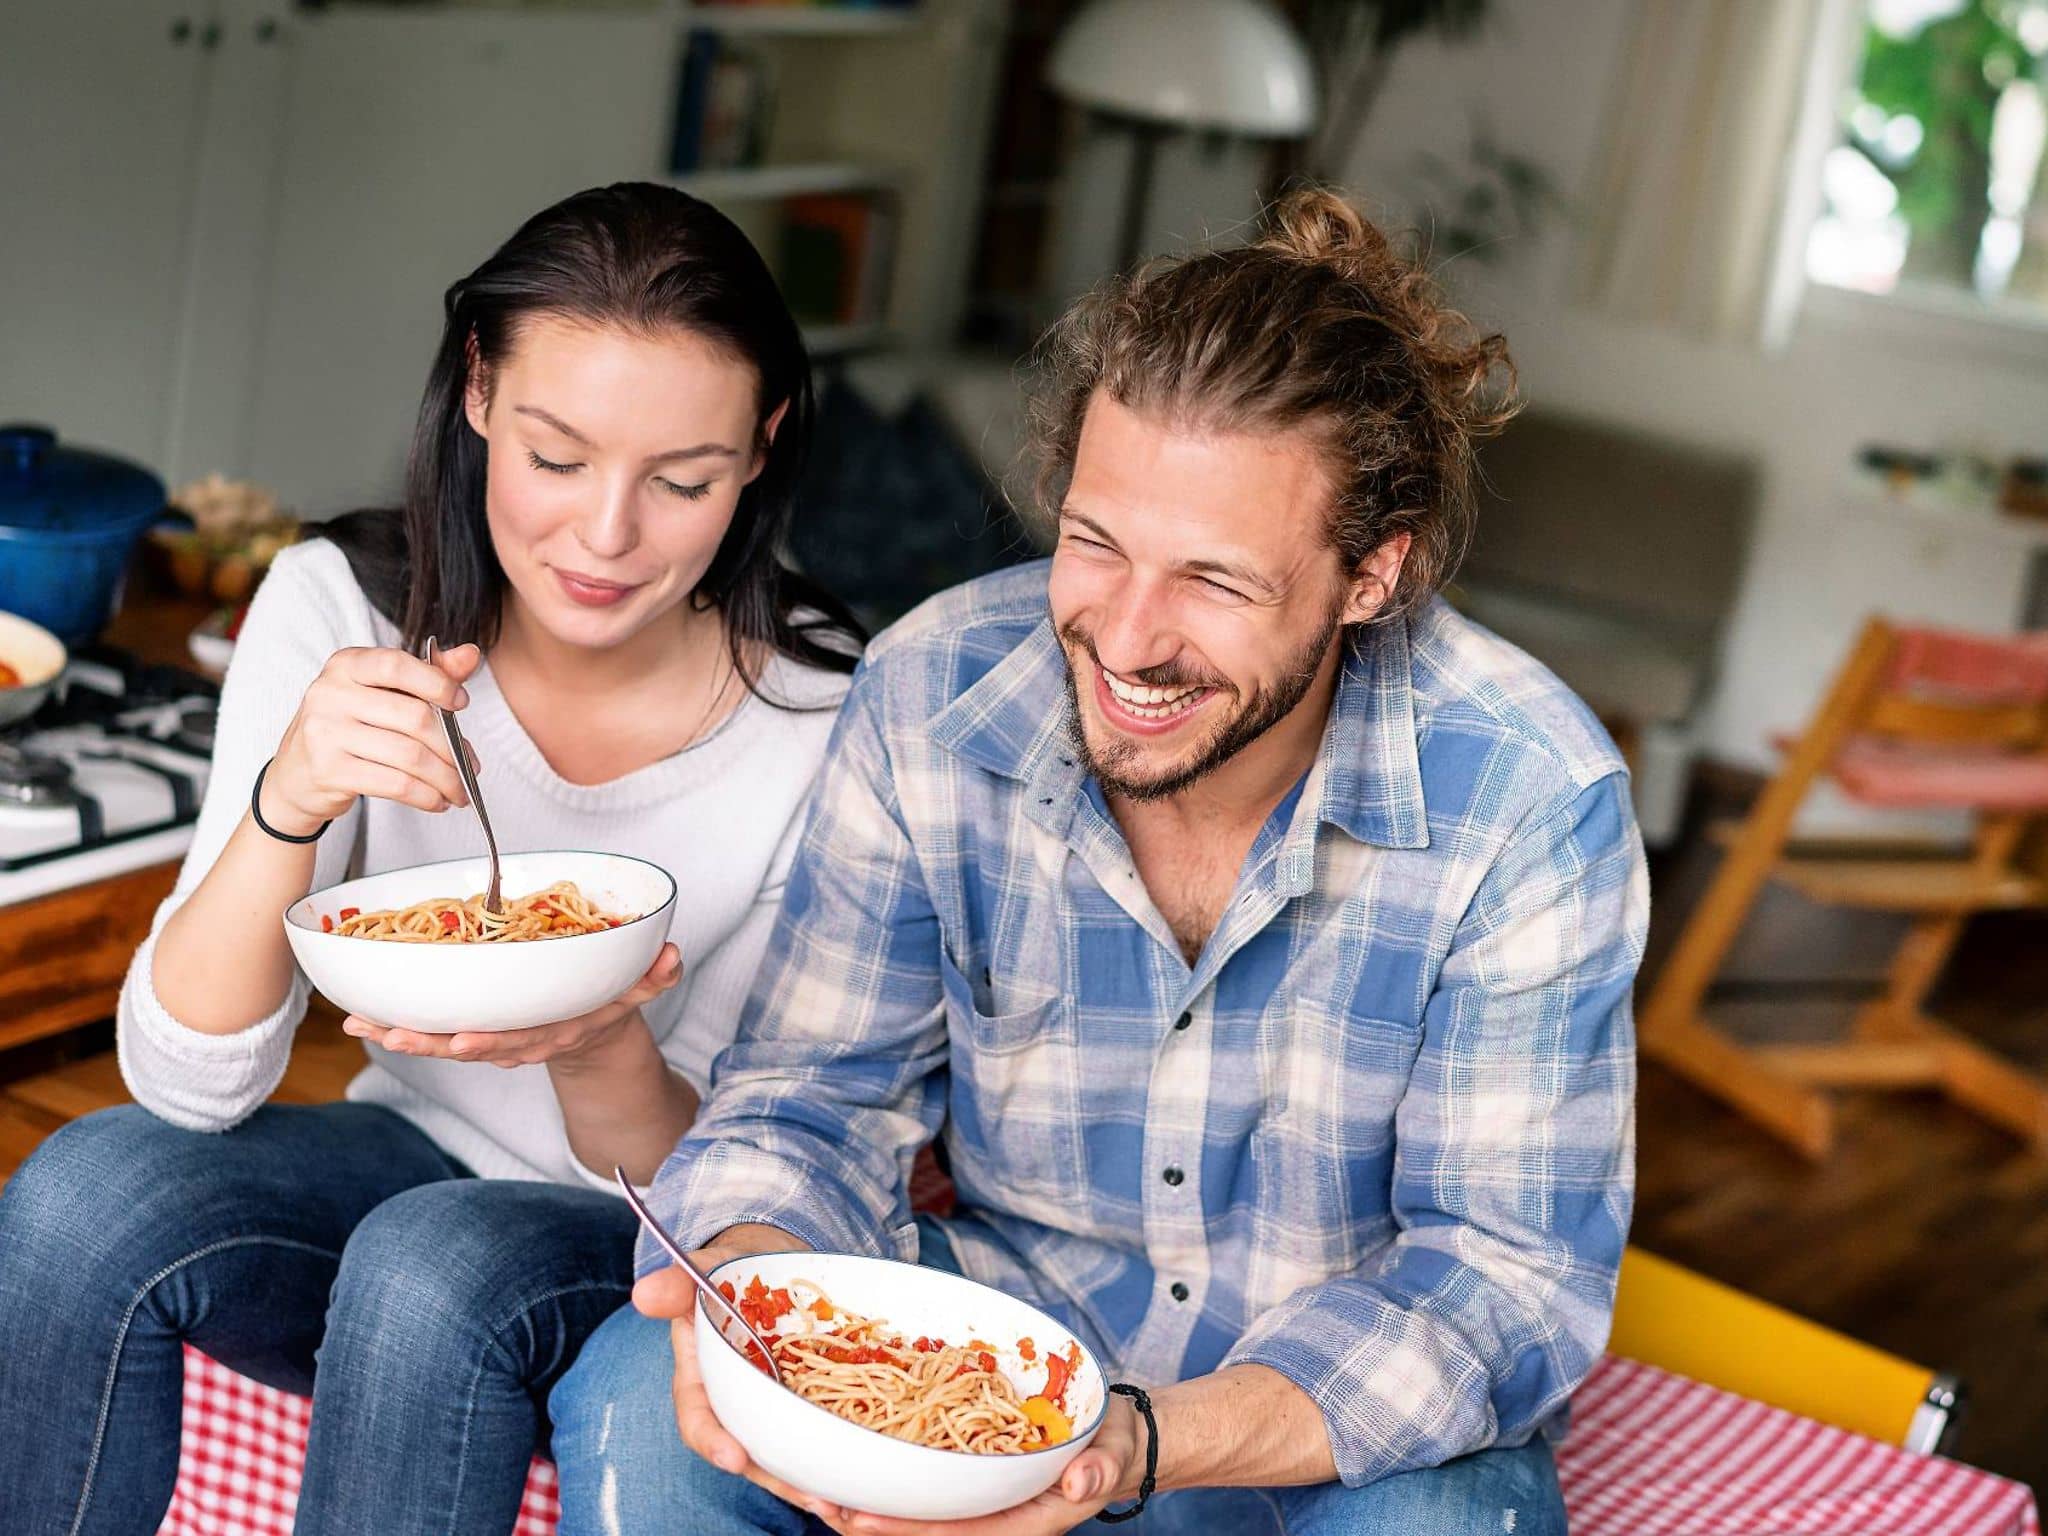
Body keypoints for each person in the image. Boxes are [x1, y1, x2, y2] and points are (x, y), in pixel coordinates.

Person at [549, 186, 1647, 1535]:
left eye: (1215, 582)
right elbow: (808, 1100)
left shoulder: (1532, 796)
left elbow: (1502, 1286)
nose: (1125, 640)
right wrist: (754, 1284)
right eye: (1094, 543)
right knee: (634, 1391)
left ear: (1374, 577)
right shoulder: (930, 691)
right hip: (1009, 1337)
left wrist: (1125, 1445)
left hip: (1320, 1428)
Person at [0, 182, 863, 1534]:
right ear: (476, 396)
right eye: (557, 457)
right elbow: (182, 1081)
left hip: (644, 1235)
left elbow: (752, 1188)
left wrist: (598, 1047)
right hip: (401, 1158)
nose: (605, 534)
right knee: (79, 1195)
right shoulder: (343, 608)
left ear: (762, 449)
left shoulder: (822, 723)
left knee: (434, 1261)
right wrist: (289, 801)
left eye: (682, 480)